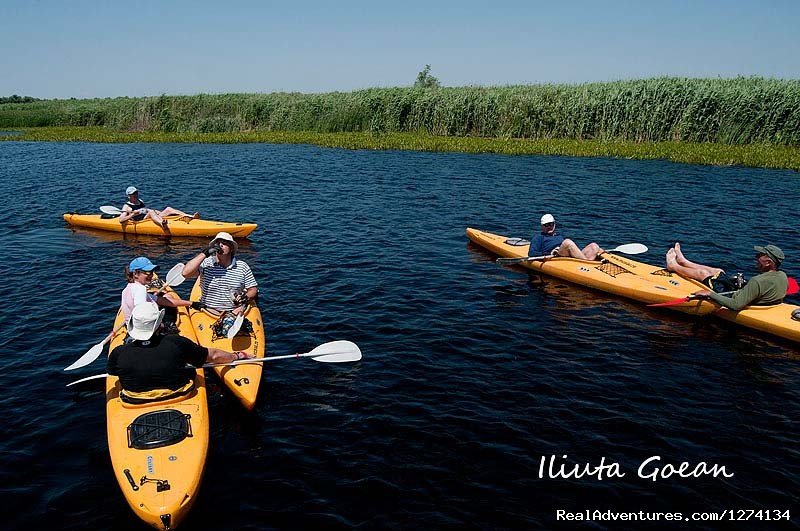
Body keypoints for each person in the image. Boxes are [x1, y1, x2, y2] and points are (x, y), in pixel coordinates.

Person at [107, 302, 252, 402]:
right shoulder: (176, 342)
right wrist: (237, 355)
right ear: (159, 325)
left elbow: (113, 373)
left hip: (135, 398)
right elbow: (213, 356)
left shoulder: (118, 353)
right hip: (179, 393)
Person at [666, 243, 788, 310]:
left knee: (703, 274)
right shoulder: (782, 275)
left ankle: (673, 266)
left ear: (768, 262)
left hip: (731, 296)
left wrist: (709, 294)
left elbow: (736, 305)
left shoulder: (757, 281)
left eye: (760, 255)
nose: (756, 257)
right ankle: (684, 261)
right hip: (743, 293)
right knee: (719, 271)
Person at [182, 231, 258, 315]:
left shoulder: (242, 266)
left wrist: (246, 297)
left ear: (231, 248)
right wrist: (205, 253)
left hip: (234, 312)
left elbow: (253, 289)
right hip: (208, 311)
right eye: (218, 243)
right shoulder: (206, 263)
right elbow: (185, 273)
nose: (220, 245)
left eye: (224, 243)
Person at [119, 256, 195, 321]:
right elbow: (141, 312)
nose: (151, 275)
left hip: (134, 327)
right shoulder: (140, 289)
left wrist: (190, 303)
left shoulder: (127, 289)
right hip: (146, 329)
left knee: (166, 298)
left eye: (152, 272)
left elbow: (162, 300)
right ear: (135, 274)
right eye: (148, 272)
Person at [529, 213, 605, 261]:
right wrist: (549, 253)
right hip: (555, 257)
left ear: (554, 224)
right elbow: (532, 253)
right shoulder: (539, 237)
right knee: (567, 242)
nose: (549, 227)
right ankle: (587, 263)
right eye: (546, 225)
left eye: (551, 224)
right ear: (542, 226)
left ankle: (591, 262)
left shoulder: (558, 236)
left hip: (566, 255)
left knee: (594, 246)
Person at [118, 186, 199, 229]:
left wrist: (157, 212)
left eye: (136, 193)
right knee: (151, 212)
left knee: (168, 209)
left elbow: (146, 210)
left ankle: (190, 216)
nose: (136, 195)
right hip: (140, 221)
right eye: (133, 194)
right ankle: (162, 224)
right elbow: (121, 220)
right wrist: (132, 215)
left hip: (147, 217)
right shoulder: (126, 206)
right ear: (129, 196)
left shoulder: (140, 201)